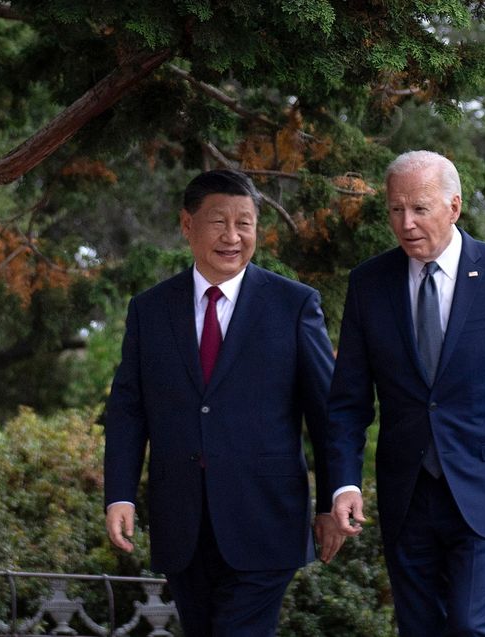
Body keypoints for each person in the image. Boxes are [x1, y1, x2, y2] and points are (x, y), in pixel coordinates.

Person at [327, 150, 485, 636]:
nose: (406, 222)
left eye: (420, 208)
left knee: (467, 626)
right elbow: (348, 402)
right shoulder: (369, 284)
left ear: (454, 207)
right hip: (406, 493)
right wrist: (344, 483)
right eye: (396, 210)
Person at [103, 169, 343, 637]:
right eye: (218, 222)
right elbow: (128, 411)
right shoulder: (150, 310)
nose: (232, 236)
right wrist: (120, 494)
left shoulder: (294, 306)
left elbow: (327, 414)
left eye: (245, 223)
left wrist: (332, 501)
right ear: (187, 225)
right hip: (182, 522)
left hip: (266, 519)